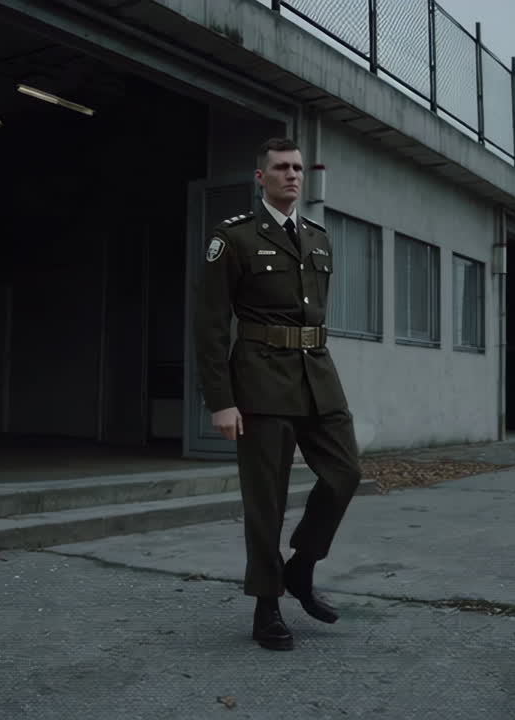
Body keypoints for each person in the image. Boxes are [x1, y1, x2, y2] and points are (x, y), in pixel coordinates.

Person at [194, 137, 362, 651]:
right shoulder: (234, 238)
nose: (291, 175)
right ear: (260, 177)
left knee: (344, 475)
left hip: (317, 376)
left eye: (297, 168)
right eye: (280, 168)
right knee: (265, 503)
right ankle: (266, 607)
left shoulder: (317, 237)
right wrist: (221, 399)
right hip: (261, 382)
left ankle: (302, 567)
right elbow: (211, 323)